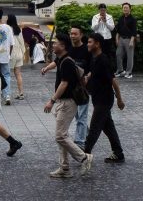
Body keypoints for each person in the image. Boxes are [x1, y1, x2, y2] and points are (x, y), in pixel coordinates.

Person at [43, 36, 92, 179]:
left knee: (60, 136)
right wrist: (46, 68)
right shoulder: (61, 59)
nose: (52, 45)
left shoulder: (67, 63)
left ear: (63, 46)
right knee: (62, 135)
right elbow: (54, 63)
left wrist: (52, 100)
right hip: (63, 102)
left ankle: (84, 157)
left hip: (68, 102)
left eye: (55, 43)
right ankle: (64, 168)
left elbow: (64, 84)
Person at [41, 25, 91, 149]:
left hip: (82, 88)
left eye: (75, 33)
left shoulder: (86, 50)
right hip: (71, 91)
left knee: (82, 115)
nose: (73, 36)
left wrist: (88, 77)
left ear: (81, 35)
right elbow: (57, 61)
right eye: (71, 34)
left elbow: (93, 67)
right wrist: (47, 68)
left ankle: (79, 142)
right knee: (78, 116)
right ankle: (85, 131)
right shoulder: (68, 51)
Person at [82, 32, 125, 164]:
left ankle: (84, 155)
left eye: (90, 42)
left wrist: (119, 99)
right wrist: (88, 77)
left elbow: (113, 80)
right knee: (108, 127)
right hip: (97, 98)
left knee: (94, 127)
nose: (88, 44)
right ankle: (118, 153)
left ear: (97, 44)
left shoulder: (103, 60)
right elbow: (93, 72)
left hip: (104, 100)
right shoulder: (94, 58)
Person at [6, 13, 27, 102]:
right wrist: (23, 53)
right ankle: (21, 93)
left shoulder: (7, 29)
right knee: (18, 74)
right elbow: (22, 42)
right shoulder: (18, 29)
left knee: (7, 75)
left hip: (11, 54)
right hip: (19, 54)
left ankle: (7, 95)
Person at [115, 3, 137, 79]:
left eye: (126, 8)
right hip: (121, 39)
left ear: (130, 9)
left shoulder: (133, 19)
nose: (125, 9)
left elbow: (134, 32)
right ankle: (120, 71)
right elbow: (118, 30)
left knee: (130, 57)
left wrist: (131, 41)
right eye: (124, 8)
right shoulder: (121, 18)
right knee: (118, 54)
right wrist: (117, 38)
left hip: (129, 39)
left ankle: (129, 72)